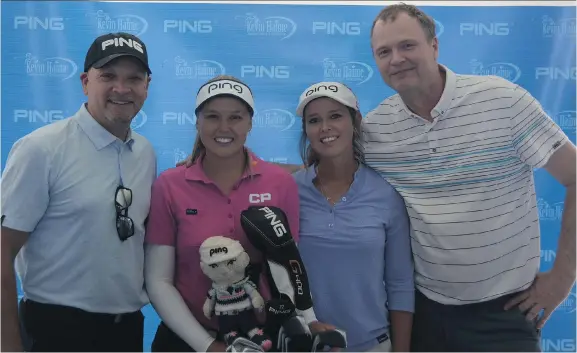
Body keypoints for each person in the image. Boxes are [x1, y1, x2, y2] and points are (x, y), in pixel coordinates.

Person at [212, 3, 575, 352]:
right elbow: (328, 162)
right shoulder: (378, 128)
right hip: (427, 313)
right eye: (384, 52)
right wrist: (230, 163)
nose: (396, 59)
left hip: (505, 313)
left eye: (407, 45)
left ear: (434, 45)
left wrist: (562, 279)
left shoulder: (502, 100)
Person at [143, 75, 335, 352]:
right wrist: (209, 346)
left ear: (250, 123)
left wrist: (309, 320)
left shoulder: (279, 183)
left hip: (262, 339)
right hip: (186, 341)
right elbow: (158, 280)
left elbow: (289, 266)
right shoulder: (169, 185)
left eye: (235, 117)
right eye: (212, 117)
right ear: (197, 122)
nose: (224, 127)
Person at [1, 32, 156, 352]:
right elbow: (3, 248)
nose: (122, 88)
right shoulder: (41, 149)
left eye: (133, 78)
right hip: (55, 330)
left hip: (126, 329)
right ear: (86, 82)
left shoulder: (145, 153)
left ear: (147, 86)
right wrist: (7, 343)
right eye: (108, 76)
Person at [292, 81, 415, 352]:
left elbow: (400, 283)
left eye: (335, 116)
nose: (325, 127)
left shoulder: (386, 195)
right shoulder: (289, 191)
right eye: (314, 120)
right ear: (306, 130)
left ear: (355, 121)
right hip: (306, 346)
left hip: (372, 345)